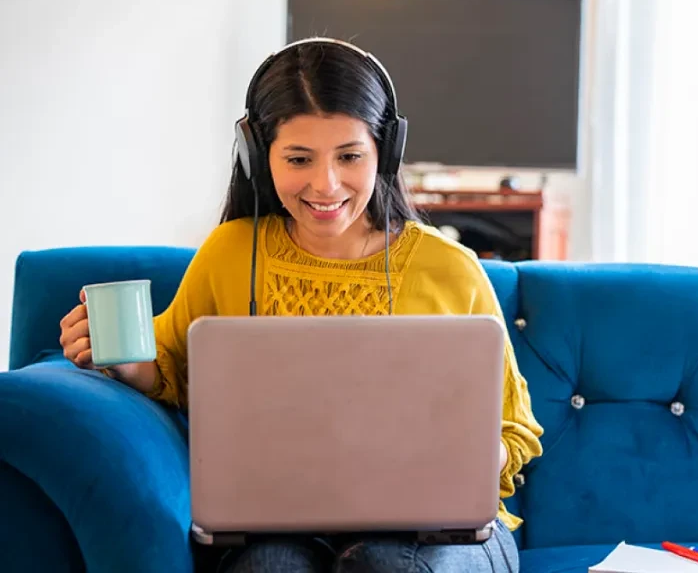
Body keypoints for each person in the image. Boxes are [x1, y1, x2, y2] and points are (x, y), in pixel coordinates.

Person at [58, 38, 543, 572]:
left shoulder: (450, 268)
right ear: (257, 155)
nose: (325, 184)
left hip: (439, 535)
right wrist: (122, 360)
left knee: (386, 566)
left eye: (350, 156)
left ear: (386, 151)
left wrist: (460, 461)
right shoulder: (230, 252)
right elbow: (172, 370)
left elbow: (512, 431)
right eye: (298, 158)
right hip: (277, 524)